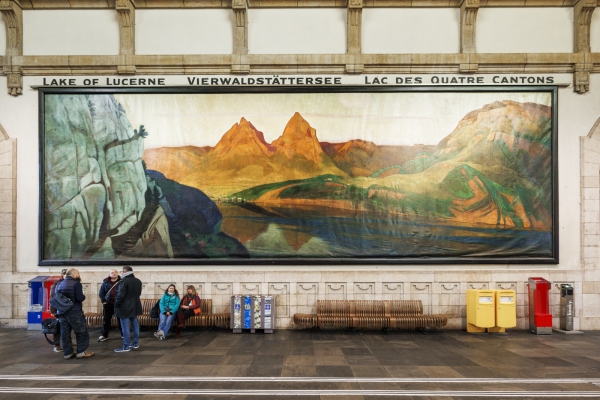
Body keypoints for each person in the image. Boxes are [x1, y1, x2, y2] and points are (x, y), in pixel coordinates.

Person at [55, 268, 94, 359]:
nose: (79, 275)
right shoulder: (76, 284)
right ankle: (81, 352)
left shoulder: (59, 283)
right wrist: (83, 295)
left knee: (65, 333)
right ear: (74, 274)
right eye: (78, 273)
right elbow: (80, 298)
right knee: (81, 332)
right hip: (74, 312)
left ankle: (68, 353)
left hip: (62, 312)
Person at [113, 266, 143, 353]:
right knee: (135, 324)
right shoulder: (138, 281)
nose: (121, 273)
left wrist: (116, 304)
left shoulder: (124, 281)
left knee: (125, 326)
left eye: (122, 271)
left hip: (124, 307)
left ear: (125, 271)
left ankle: (126, 346)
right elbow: (139, 293)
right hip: (135, 305)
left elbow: (121, 295)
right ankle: (135, 343)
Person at [97, 269, 122, 342]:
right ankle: (104, 335)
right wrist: (104, 301)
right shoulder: (106, 282)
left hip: (119, 304)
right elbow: (101, 293)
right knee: (106, 320)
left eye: (115, 272)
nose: (114, 274)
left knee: (120, 320)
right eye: (112, 273)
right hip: (108, 304)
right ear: (110, 274)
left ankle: (123, 334)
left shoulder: (122, 281)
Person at [49, 268, 67, 353]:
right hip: (58, 309)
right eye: (66, 274)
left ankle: (67, 342)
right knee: (57, 328)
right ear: (63, 275)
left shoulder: (72, 283)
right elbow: (52, 298)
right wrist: (53, 311)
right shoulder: (56, 284)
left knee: (67, 327)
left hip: (67, 309)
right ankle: (56, 345)